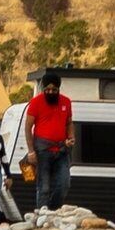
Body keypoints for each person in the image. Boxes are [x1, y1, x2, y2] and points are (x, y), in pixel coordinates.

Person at [26, 72, 77, 215]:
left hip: (62, 149)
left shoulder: (66, 102)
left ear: (58, 89)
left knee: (64, 184)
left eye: (54, 90)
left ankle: (53, 210)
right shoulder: (36, 102)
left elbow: (69, 123)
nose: (50, 92)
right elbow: (28, 127)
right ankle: (42, 214)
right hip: (42, 149)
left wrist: (71, 136)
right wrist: (31, 151)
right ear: (43, 89)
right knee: (44, 186)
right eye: (47, 89)